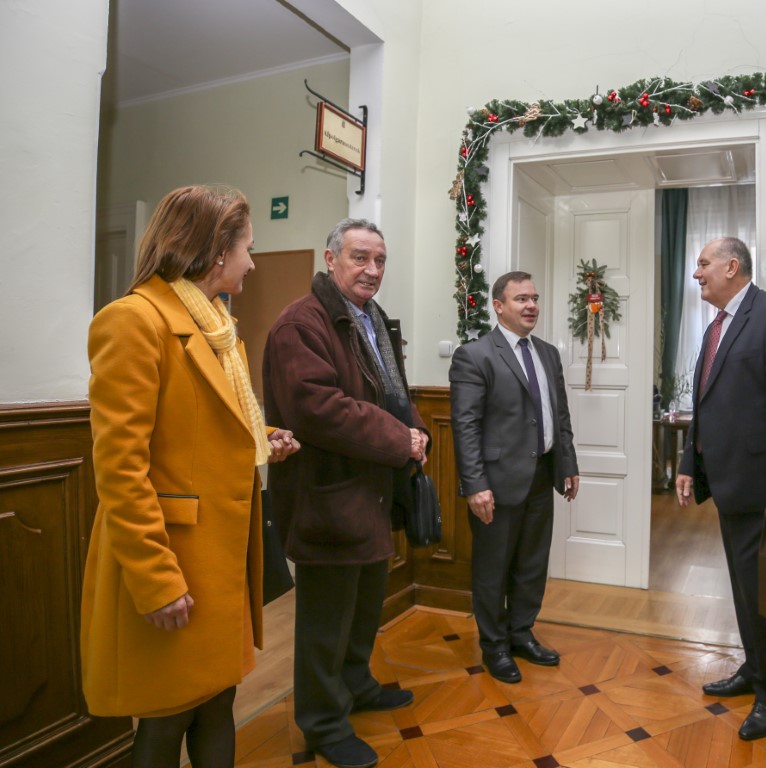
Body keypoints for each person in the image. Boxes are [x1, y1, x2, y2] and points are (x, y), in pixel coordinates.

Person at [80, 184, 301, 768]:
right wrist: (157, 580)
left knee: (216, 704)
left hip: (219, 565)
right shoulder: (132, 321)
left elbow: (206, 430)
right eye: (248, 248)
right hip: (174, 560)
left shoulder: (219, 329)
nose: (252, 262)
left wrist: (262, 440)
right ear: (216, 250)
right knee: (165, 720)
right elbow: (120, 469)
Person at [263, 218, 428, 768]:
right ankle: (323, 723)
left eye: (380, 260)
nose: (372, 270)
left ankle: (356, 686)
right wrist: (400, 439)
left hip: (371, 493)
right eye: (360, 257)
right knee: (324, 623)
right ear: (330, 259)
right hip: (327, 498)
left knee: (361, 608)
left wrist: (418, 430)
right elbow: (319, 409)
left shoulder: (371, 317)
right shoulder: (300, 324)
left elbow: (393, 394)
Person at [674, 237, 766, 740]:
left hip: (763, 488)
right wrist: (688, 462)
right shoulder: (716, 325)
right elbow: (705, 401)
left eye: (703, 264)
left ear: (732, 266)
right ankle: (755, 669)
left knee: (763, 597)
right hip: (728, 482)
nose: (697, 273)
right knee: (741, 587)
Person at [449, 271, 579, 684]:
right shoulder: (475, 355)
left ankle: (521, 634)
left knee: (532, 564)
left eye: (534, 298)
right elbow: (465, 426)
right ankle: (495, 646)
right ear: (498, 306)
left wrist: (568, 464)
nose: (531, 306)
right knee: (493, 569)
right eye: (521, 299)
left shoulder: (548, 354)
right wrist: (475, 485)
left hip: (542, 475)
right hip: (496, 482)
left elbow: (559, 415)